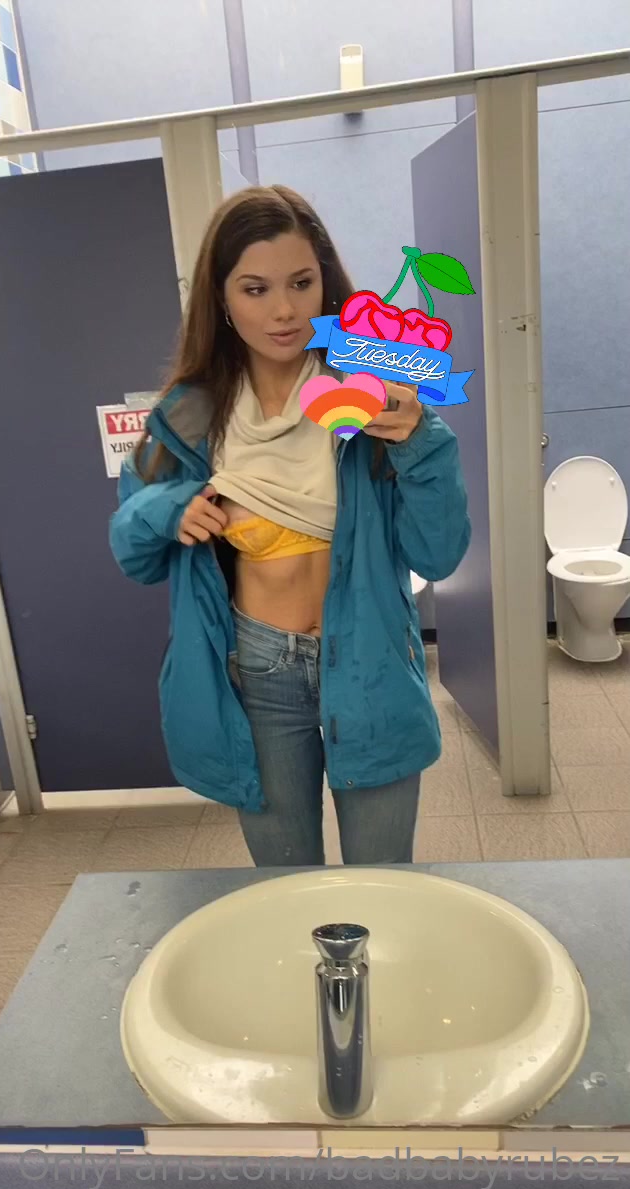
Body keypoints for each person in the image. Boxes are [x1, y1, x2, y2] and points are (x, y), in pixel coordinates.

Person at [110, 184, 471, 867]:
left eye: (302, 283)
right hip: (256, 671)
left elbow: (439, 553)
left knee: (382, 882)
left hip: (369, 658)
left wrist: (422, 441)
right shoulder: (189, 415)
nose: (283, 310)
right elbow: (134, 550)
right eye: (255, 289)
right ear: (221, 298)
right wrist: (168, 509)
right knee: (283, 885)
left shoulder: (373, 390)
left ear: (325, 283)